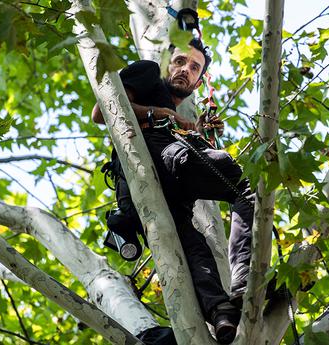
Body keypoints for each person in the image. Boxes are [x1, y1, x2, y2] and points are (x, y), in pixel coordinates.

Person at [92, 38, 253, 345]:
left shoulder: (176, 113)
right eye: (180, 61)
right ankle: (245, 283)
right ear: (167, 63)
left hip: (164, 192)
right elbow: (103, 111)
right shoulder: (149, 72)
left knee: (194, 246)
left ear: (198, 81)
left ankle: (221, 312)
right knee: (247, 186)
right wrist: (160, 114)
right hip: (155, 161)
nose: (185, 70)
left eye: (195, 68)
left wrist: (198, 133)